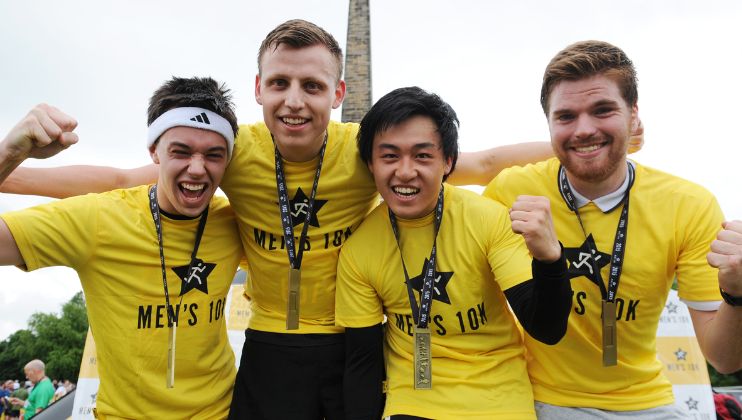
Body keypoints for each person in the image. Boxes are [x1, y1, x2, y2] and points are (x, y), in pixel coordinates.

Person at [0, 20, 569, 419]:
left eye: (313, 86)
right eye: (280, 83)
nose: (295, 100)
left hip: (352, 339)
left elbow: (481, 163)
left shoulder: (365, 151)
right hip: (271, 345)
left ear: (339, 93)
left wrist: (573, 145)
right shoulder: (229, 152)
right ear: (258, 90)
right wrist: (9, 171)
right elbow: (123, 180)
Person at [484, 40, 742, 418]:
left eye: (602, 110)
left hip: (647, 401)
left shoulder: (689, 204)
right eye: (566, 116)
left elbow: (724, 357)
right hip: (538, 398)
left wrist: (736, 295)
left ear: (634, 115)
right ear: (549, 124)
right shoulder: (509, 192)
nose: (584, 129)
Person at [0, 76, 244, 418]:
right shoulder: (100, 219)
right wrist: (9, 152)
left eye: (214, 155)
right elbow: (122, 181)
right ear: (153, 153)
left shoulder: (234, 222)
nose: (197, 168)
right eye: (181, 151)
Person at [336, 86, 573, 419]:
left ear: (448, 161)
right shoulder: (359, 250)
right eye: (389, 156)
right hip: (413, 402)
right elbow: (362, 363)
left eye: (422, 155)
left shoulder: (489, 218)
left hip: (499, 398)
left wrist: (550, 260)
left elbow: (546, 327)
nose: (405, 172)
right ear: (371, 164)